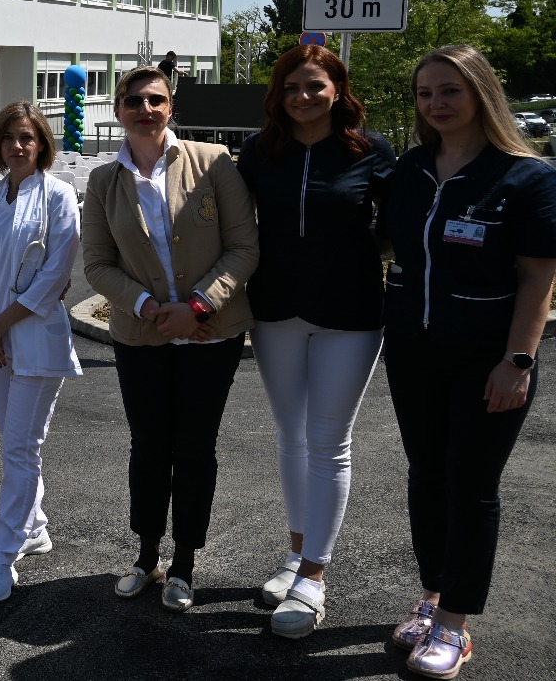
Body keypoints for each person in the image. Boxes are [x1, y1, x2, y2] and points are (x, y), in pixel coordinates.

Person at [378, 45, 556, 679]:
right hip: (413, 352)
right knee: (426, 476)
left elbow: (538, 278)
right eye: (426, 93)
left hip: (488, 358)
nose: (437, 103)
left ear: (481, 93)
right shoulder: (410, 168)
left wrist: (519, 360)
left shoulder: (525, 177)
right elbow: (383, 242)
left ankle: (455, 623)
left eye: (450, 90)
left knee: (471, 486)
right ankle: (431, 597)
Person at [82, 67, 259, 613]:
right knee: (149, 445)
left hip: (211, 333)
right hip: (142, 335)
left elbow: (244, 246)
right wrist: (149, 307)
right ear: (118, 111)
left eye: (155, 100)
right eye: (134, 101)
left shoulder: (214, 161)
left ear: (171, 107)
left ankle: (184, 562)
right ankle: (146, 554)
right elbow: (97, 264)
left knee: (196, 446)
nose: (146, 109)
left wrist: (199, 306)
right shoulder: (103, 181)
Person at [234, 46, 395, 638]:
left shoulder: (370, 149)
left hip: (350, 313)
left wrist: (354, 255)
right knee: (291, 434)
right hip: (275, 311)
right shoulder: (259, 151)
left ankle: (314, 576)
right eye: (291, 87)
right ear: (277, 94)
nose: (302, 97)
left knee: (328, 440)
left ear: (337, 89)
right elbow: (234, 225)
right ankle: (297, 552)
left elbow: (395, 227)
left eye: (314, 86)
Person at [0, 101, 82, 602]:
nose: (17, 145)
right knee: (16, 445)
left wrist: (0, 324)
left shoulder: (59, 196)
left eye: (27, 138)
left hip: (34, 340)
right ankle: (33, 526)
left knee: (19, 447)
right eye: (9, 137)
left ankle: (2, 554)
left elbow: (55, 276)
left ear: (42, 144)